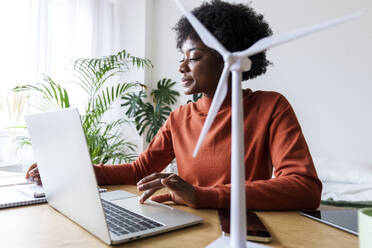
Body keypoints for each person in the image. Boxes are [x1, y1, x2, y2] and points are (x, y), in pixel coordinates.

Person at [26, 0, 322, 210]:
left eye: (193, 58)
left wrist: (202, 195)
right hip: (186, 224)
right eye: (181, 57)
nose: (181, 67)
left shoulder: (271, 107)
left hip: (240, 227)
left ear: (228, 58)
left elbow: (304, 188)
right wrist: (70, 172)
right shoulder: (181, 116)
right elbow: (138, 170)